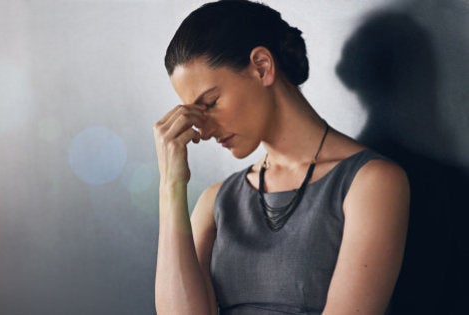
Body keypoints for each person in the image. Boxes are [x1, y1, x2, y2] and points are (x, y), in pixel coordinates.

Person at [153, 1, 410, 314]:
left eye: (209, 103)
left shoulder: (371, 183)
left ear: (262, 66)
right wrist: (170, 185)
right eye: (193, 114)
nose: (203, 131)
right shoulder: (216, 201)